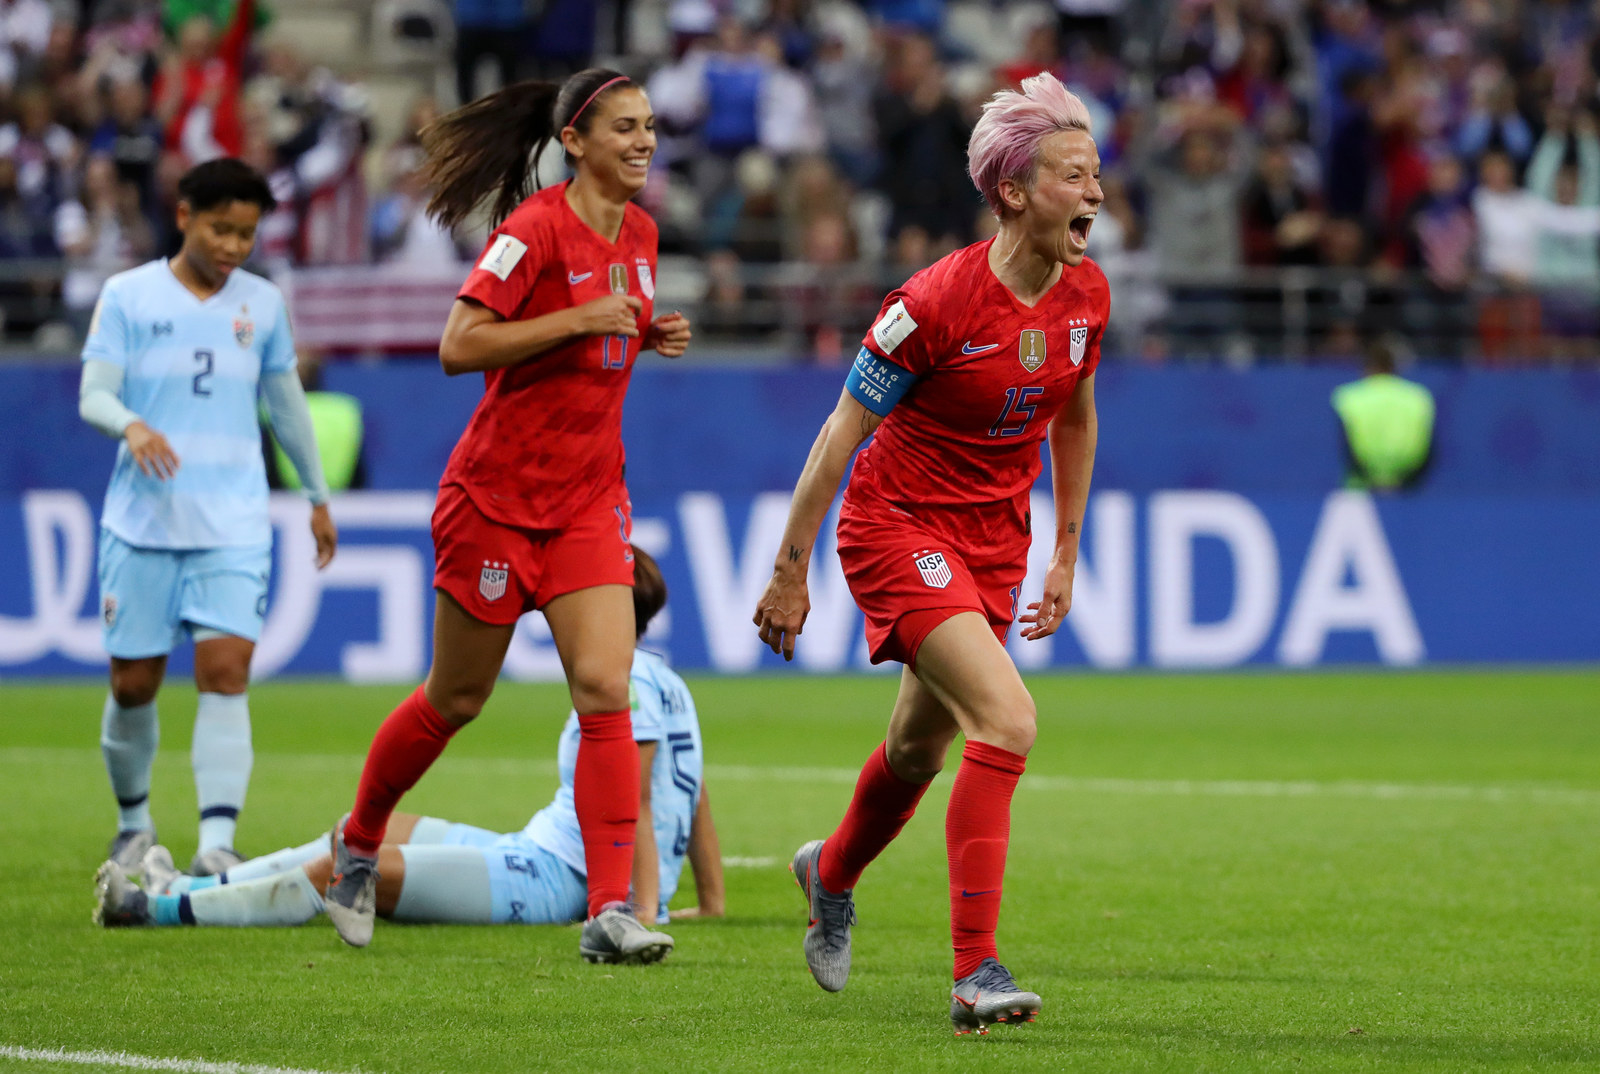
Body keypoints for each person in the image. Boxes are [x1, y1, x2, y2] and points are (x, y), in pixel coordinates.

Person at [752, 72, 1106, 1035]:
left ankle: (828, 873)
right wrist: (792, 569)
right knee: (1008, 719)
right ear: (1015, 193)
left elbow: (1074, 415)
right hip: (898, 526)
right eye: (1076, 177)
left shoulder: (1086, 295)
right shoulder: (931, 304)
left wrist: (1066, 548)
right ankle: (975, 972)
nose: (1097, 195)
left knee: (916, 748)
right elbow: (838, 436)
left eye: (1098, 174)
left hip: (994, 540)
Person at [320, 69, 692, 964]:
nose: (644, 142)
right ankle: (360, 845)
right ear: (576, 139)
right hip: (495, 502)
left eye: (650, 127)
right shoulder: (531, 233)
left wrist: (640, 332)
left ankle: (608, 910)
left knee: (607, 688)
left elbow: (603, 327)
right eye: (625, 128)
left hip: (588, 503)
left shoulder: (641, 234)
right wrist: (575, 322)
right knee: (457, 698)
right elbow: (460, 345)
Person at [94, 547, 725, 936]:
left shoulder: (624, 683)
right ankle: (186, 884)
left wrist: (641, 910)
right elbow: (694, 799)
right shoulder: (669, 681)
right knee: (364, 830)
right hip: (535, 849)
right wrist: (711, 901)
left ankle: (160, 910)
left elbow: (637, 797)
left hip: (553, 879)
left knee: (348, 867)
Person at [78, 157, 338, 879]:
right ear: (185, 214)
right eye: (221, 230)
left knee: (227, 673)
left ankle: (217, 841)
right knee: (133, 683)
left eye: (247, 235)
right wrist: (130, 424)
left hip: (234, 522)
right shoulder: (127, 296)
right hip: (144, 524)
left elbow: (286, 406)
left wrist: (316, 495)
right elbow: (92, 394)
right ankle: (133, 827)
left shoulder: (263, 304)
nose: (232, 247)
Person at [1332, 340, 1435, 491]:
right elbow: (1431, 447)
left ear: (1366, 368)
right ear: (1394, 368)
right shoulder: (1419, 397)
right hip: (1408, 488)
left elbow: (1345, 447)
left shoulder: (1348, 397)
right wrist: (1404, 481)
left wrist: (1372, 478)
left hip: (1361, 488)